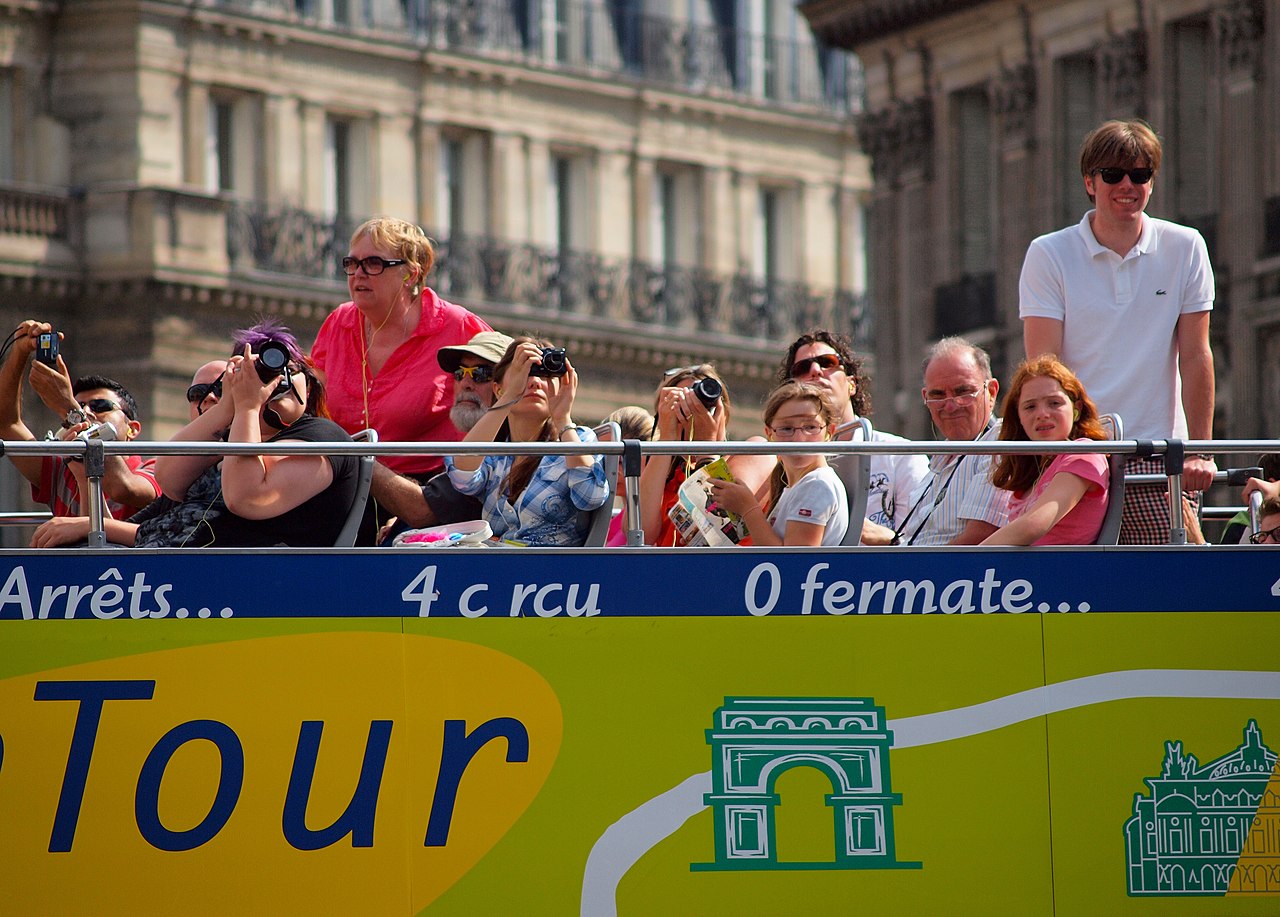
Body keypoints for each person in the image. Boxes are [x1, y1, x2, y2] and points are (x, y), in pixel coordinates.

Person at [1019, 119, 1215, 544]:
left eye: (1140, 174)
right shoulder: (1048, 253)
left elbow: (1197, 356)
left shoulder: (1186, 246)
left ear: (1152, 182)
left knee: (1183, 581)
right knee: (1069, 586)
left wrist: (1199, 451)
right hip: (1078, 453)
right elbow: (1043, 369)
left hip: (1158, 454)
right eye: (1113, 174)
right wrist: (1059, 453)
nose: (1127, 184)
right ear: (1090, 182)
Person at [32, 321, 358, 548]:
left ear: (310, 384)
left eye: (291, 369)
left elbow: (246, 497)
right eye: (257, 370)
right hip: (177, 574)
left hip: (244, 586)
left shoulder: (321, 435)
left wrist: (246, 407)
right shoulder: (228, 446)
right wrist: (229, 402)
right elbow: (170, 481)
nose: (274, 380)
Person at [310, 217, 490, 507]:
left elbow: (502, 399)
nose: (358, 274)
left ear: (410, 274)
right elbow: (309, 403)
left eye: (373, 263)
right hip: (340, 485)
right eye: (351, 264)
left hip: (431, 492)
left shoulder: (458, 326)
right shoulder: (338, 323)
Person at [444, 336, 608, 546]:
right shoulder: (494, 452)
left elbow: (590, 496)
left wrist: (562, 419)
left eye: (546, 375)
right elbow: (462, 477)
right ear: (498, 388)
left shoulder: (578, 439)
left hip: (553, 575)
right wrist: (509, 397)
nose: (535, 381)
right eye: (524, 372)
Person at [0, 320, 159, 519]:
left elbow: (122, 487)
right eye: (80, 405)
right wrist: (20, 351)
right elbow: (6, 423)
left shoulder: (153, 470)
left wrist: (70, 410)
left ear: (132, 429)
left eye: (101, 406)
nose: (87, 411)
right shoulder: (62, 471)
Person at [779, 330, 928, 543]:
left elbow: (924, 548)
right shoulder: (779, 462)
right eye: (801, 368)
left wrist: (885, 538)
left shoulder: (901, 455)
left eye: (827, 362)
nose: (815, 371)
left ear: (852, 384)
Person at [369, 330, 514, 539]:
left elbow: (422, 509)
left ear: (508, 387)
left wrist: (357, 458)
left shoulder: (503, 443)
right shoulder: (477, 443)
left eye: (481, 373)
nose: (465, 382)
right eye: (459, 373)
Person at [889, 337, 1011, 546]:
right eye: (938, 395)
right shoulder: (940, 458)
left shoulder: (1000, 441)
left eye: (963, 392)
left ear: (991, 392)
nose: (951, 405)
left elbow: (980, 539)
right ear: (925, 398)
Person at [637, 363, 772, 546]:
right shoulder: (662, 470)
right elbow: (640, 533)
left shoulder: (754, 452)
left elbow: (721, 526)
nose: (694, 411)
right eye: (683, 403)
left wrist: (706, 451)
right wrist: (667, 438)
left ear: (722, 410)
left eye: (701, 403)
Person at [981, 357, 1110, 546]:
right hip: (1023, 574)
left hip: (1058, 572)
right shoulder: (1032, 474)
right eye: (1030, 407)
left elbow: (1033, 525)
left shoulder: (1083, 453)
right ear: (1019, 417)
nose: (1042, 414)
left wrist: (969, 561)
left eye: (1054, 403)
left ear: (1076, 409)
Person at [707, 381, 849, 547]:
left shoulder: (817, 484)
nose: (799, 439)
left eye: (811, 427)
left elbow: (792, 563)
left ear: (829, 432)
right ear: (769, 433)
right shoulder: (801, 485)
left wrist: (748, 508)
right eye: (786, 429)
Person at [602, 405, 655, 547]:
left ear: (650, 458)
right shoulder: (613, 522)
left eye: (622, 461)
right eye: (607, 460)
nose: (614, 470)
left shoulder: (653, 518)